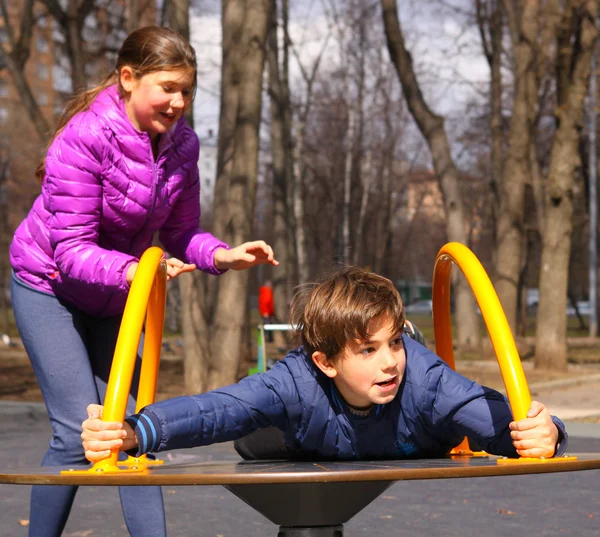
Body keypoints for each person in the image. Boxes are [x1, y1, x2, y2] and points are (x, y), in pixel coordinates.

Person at [9, 26, 277, 537]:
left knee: (130, 433)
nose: (179, 102)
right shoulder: (85, 137)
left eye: (187, 91)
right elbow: (70, 249)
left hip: (117, 298)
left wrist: (222, 254)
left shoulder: (182, 148)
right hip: (50, 284)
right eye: (168, 88)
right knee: (76, 431)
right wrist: (139, 270)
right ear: (129, 79)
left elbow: (182, 233)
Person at [82, 267, 567, 466]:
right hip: (298, 437)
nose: (389, 363)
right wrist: (131, 433)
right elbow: (218, 409)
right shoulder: (297, 382)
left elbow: (503, 423)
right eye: (367, 350)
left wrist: (550, 433)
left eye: (394, 342)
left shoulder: (426, 379)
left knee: (477, 416)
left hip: (402, 434)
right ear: (326, 361)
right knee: (249, 426)